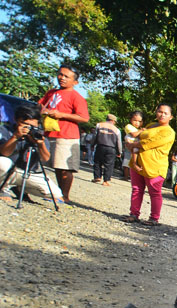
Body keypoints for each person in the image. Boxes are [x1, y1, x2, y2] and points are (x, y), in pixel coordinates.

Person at [37, 64, 89, 204]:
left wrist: (61, 115)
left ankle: (64, 196)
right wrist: (43, 110)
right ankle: (54, 193)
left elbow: (84, 118)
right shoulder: (51, 92)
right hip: (49, 133)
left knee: (64, 167)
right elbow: (40, 105)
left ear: (75, 82)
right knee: (52, 165)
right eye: (60, 74)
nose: (62, 78)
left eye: (66, 76)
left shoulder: (76, 97)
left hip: (67, 135)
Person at [122, 103, 176, 226]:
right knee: (136, 189)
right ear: (156, 112)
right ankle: (134, 214)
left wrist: (133, 145)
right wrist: (132, 144)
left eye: (165, 113)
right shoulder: (150, 125)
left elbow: (150, 143)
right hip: (138, 162)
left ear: (170, 117)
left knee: (154, 192)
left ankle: (154, 218)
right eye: (160, 112)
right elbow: (137, 136)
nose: (162, 115)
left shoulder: (169, 132)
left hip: (155, 166)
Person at [0, 103, 62, 202]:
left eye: (32, 125)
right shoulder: (5, 130)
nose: (28, 128)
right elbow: (4, 153)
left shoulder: (38, 134)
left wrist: (40, 144)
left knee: (56, 194)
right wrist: (15, 137)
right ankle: (3, 189)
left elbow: (45, 158)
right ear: (16, 120)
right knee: (2, 163)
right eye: (25, 124)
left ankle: (19, 188)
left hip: (28, 173)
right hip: (9, 170)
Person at [91, 114, 122, 186]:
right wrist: (119, 151)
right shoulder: (116, 130)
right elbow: (118, 142)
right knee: (109, 164)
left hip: (100, 146)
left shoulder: (99, 125)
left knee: (97, 162)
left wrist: (92, 144)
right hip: (111, 148)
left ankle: (97, 177)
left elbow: (94, 136)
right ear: (113, 121)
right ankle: (106, 180)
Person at [122, 111, 144, 179]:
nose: (137, 123)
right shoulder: (129, 126)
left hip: (135, 144)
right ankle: (134, 165)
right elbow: (134, 134)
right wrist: (141, 130)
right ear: (131, 120)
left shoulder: (138, 129)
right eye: (135, 120)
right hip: (131, 144)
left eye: (139, 121)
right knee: (127, 161)